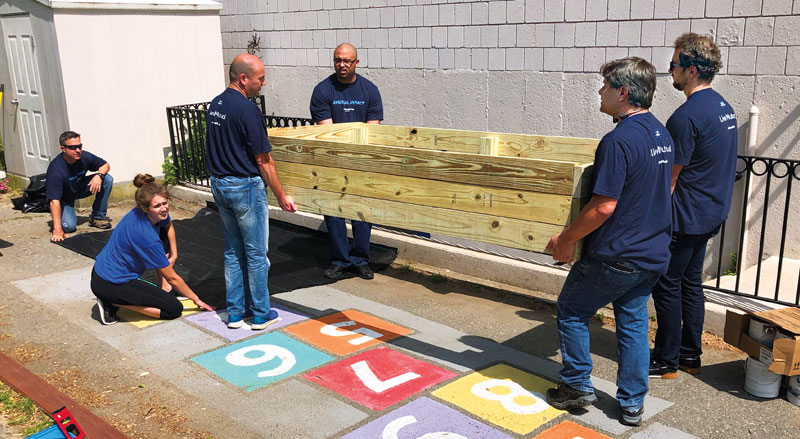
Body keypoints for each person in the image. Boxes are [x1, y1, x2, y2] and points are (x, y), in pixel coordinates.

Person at [543, 57, 674, 426]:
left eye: (604, 86)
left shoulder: (618, 141)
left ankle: (575, 385)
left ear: (623, 92)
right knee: (632, 323)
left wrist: (566, 238)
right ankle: (632, 404)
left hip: (618, 254)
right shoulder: (661, 134)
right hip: (652, 253)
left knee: (571, 308)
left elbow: (604, 207)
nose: (599, 92)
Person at [649, 33, 738, 379]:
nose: (669, 71)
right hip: (711, 213)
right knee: (690, 283)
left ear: (692, 69)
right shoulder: (723, 107)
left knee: (667, 283)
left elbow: (668, 180)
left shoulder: (686, 117)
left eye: (673, 65)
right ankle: (689, 355)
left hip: (686, 217)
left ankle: (667, 359)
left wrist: (652, 220)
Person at [206, 53, 297, 330]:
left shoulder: (216, 105)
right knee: (257, 253)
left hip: (220, 185)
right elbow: (263, 160)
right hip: (244, 186)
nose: (264, 83)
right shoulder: (247, 110)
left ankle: (235, 314)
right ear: (243, 79)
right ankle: (260, 313)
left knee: (233, 251)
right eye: (260, 79)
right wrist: (281, 196)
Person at [91, 174, 213, 325]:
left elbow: (168, 226)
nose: (163, 208)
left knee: (163, 295)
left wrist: (174, 253)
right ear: (144, 207)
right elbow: (172, 277)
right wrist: (196, 299)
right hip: (109, 283)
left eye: (165, 203)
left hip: (103, 272)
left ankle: (118, 298)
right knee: (173, 309)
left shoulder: (145, 213)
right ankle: (111, 302)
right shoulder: (146, 236)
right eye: (157, 206)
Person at [309, 43, 383, 280]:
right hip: (333, 162)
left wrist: (359, 159)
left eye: (347, 61)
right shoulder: (323, 90)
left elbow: (372, 132)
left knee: (363, 213)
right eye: (338, 60)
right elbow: (328, 134)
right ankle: (340, 259)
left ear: (356, 63)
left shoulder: (370, 91)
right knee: (334, 213)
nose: (342, 64)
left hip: (361, 163)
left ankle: (360, 259)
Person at [46, 131, 114, 242]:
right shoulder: (56, 169)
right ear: (63, 148)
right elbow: (54, 200)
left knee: (107, 179)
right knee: (68, 227)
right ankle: (63, 213)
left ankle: (97, 217)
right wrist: (57, 230)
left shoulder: (84, 156)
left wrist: (99, 176)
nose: (77, 150)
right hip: (64, 198)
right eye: (73, 147)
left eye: (79, 146)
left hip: (80, 188)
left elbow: (105, 165)